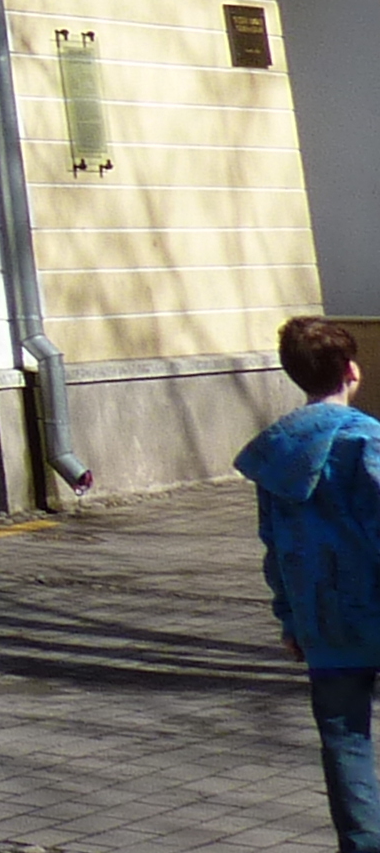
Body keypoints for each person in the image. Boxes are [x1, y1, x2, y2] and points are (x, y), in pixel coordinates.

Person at [238, 316, 380, 853]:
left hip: (323, 620)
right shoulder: (367, 443)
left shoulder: (278, 454)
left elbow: (274, 545)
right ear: (352, 370)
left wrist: (290, 620)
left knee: (344, 742)